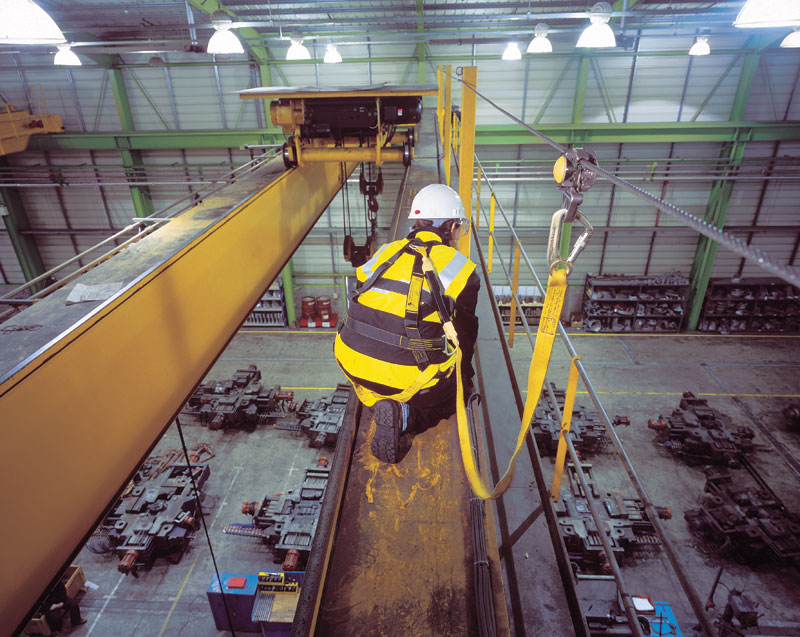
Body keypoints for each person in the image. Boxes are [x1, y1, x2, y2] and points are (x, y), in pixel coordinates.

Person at [334, 183, 480, 463]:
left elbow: (369, 301)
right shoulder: (461, 269)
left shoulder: (385, 252)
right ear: (449, 227)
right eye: (459, 227)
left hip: (351, 360)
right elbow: (464, 336)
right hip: (405, 377)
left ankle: (376, 399)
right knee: (452, 398)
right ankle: (405, 416)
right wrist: (464, 380)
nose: (459, 234)